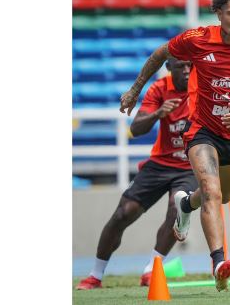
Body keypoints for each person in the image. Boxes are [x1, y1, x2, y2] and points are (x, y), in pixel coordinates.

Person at [119, 0, 230, 291]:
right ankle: (219, 261)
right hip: (202, 130)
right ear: (218, 13)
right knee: (213, 192)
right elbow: (160, 53)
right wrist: (135, 90)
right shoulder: (198, 39)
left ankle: (185, 205)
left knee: (222, 196)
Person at [76, 58, 198, 290]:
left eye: (190, 66)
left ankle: (152, 271)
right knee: (124, 213)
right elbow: (136, 128)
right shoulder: (159, 89)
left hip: (189, 167)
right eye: (180, 66)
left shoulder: (202, 89)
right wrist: (159, 113)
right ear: (169, 68)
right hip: (160, 164)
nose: (186, 70)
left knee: (177, 208)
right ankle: (95, 275)